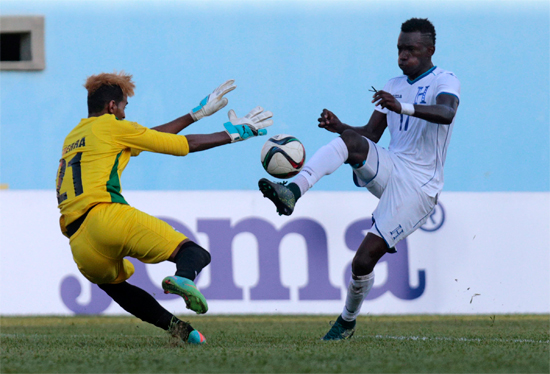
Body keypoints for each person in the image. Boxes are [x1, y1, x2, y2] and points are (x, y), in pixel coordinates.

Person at [258, 18, 460, 340]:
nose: (403, 56)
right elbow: (371, 135)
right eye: (399, 49)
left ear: (430, 50)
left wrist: (403, 106)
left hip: (420, 187)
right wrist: (340, 126)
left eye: (411, 50)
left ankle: (347, 321)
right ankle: (293, 191)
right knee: (352, 141)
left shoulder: (444, 79)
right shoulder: (393, 84)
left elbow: (446, 113)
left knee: (363, 261)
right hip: (393, 166)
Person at [56, 71, 273, 344]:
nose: (124, 114)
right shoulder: (114, 127)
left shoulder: (73, 137)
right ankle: (183, 278)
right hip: (106, 216)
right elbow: (184, 145)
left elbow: (146, 137)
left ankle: (182, 330)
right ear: (112, 106)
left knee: (118, 289)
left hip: (79, 243)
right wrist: (233, 135)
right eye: (123, 107)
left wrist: (195, 115)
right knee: (193, 253)